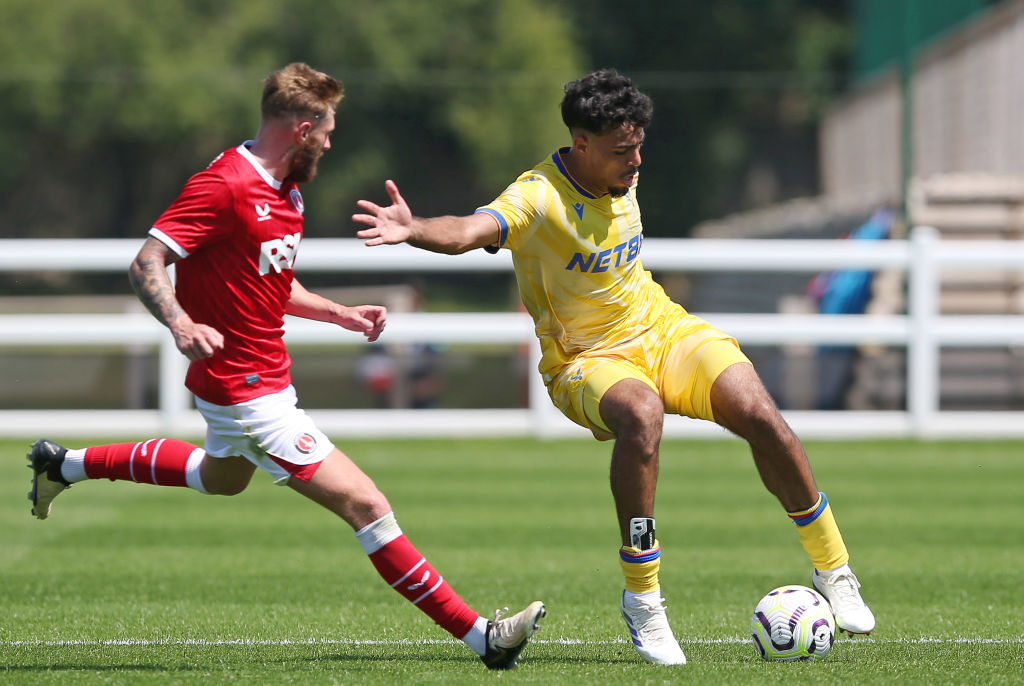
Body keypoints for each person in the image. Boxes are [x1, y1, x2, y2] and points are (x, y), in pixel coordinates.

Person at [26, 62, 544, 670]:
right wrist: (179, 321)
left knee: (221, 478)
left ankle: (63, 463)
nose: (331, 140)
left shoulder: (288, 189)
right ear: (302, 128)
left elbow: (269, 280)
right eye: (326, 129)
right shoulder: (223, 185)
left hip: (263, 378)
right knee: (367, 505)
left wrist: (338, 315)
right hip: (243, 389)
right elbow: (146, 264)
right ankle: (483, 637)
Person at [353, 68, 874, 666]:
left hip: (663, 329)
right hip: (584, 359)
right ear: (581, 144)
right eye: (623, 151)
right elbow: (471, 230)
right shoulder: (538, 197)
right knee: (642, 415)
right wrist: (414, 228)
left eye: (640, 147)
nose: (636, 162)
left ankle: (834, 569)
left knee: (761, 413)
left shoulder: (621, 173)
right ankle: (644, 601)